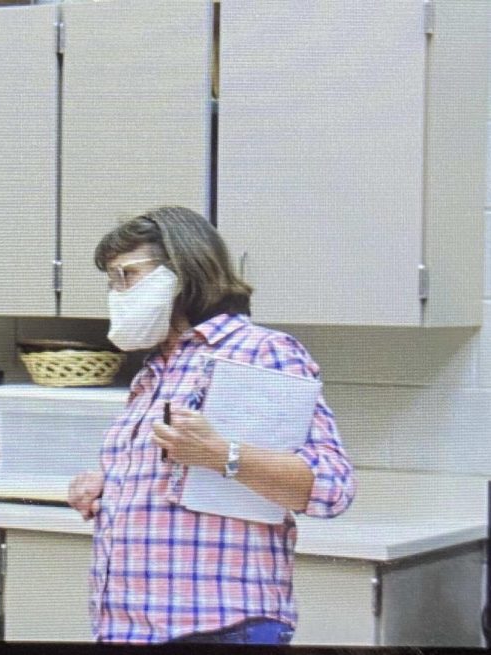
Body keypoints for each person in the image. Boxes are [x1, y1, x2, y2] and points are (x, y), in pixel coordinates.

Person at [67, 206, 356, 645]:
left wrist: (223, 456)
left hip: (219, 626)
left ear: (183, 269)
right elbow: (180, 483)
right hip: (128, 626)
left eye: (128, 275)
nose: (118, 294)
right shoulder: (154, 371)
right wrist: (113, 485)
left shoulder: (262, 352)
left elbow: (332, 489)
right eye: (112, 282)